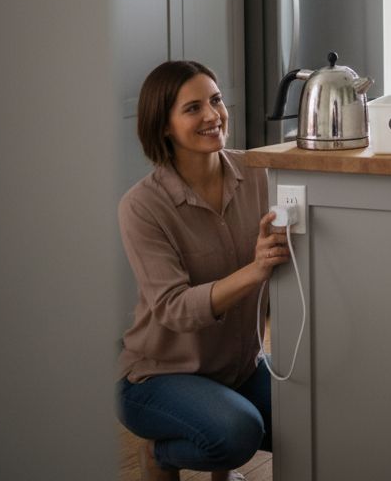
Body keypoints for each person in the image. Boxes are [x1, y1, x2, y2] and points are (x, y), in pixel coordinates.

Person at [115, 60, 289, 481]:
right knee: (236, 432)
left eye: (216, 100)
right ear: (164, 126)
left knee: (308, 415)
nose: (213, 115)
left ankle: (220, 469)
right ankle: (160, 455)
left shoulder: (258, 173)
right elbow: (173, 308)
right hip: (158, 376)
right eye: (193, 108)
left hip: (238, 368)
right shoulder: (142, 206)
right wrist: (256, 269)